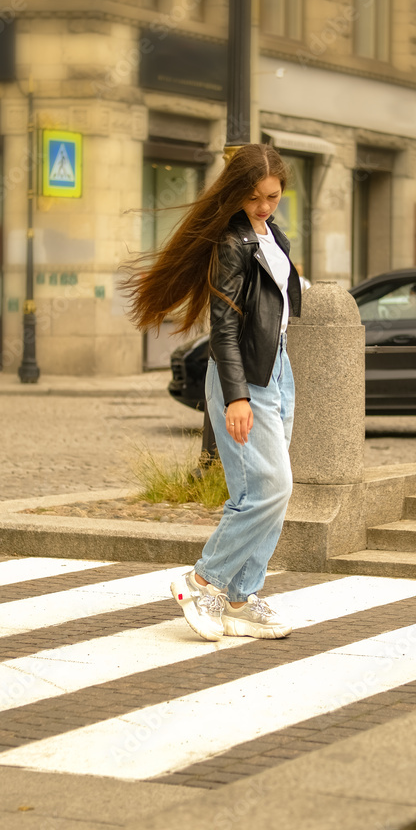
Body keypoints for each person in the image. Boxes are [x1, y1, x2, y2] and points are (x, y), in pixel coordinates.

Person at [122, 143, 301, 641]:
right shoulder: (232, 242)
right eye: (254, 197)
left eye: (272, 195)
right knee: (272, 487)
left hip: (277, 368)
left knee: (265, 492)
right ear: (237, 194)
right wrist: (237, 395)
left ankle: (241, 598)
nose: (264, 206)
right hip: (241, 373)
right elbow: (223, 325)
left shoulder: (271, 235)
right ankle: (202, 579)